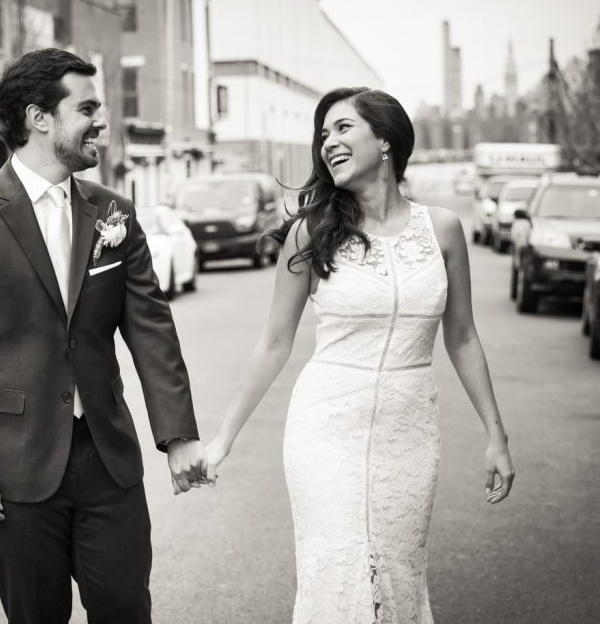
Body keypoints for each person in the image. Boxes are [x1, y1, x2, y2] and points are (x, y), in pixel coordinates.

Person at [204, 87, 515, 622]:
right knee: (340, 575)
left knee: (397, 572)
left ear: (387, 139)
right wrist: (222, 439)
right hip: (324, 431)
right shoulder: (310, 233)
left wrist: (497, 436)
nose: (329, 142)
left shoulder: (442, 230)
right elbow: (275, 342)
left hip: (409, 434)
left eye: (343, 128)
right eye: (323, 134)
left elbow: (461, 336)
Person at [0, 48, 207, 623]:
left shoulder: (114, 214)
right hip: (16, 469)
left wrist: (178, 435)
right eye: (87, 108)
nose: (100, 122)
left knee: (126, 607)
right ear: (40, 117)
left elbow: (151, 327)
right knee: (36, 615)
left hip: (107, 460)